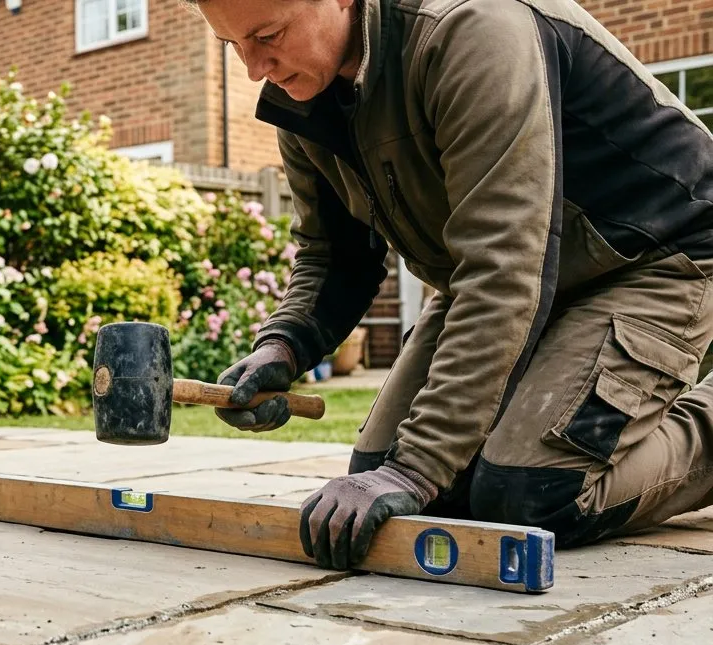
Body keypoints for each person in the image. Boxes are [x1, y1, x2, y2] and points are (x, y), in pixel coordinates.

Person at [191, 0, 713, 570]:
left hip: (659, 258)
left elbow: (503, 267)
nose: (253, 68)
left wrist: (417, 466)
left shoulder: (472, 30)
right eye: (232, 45)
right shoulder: (306, 96)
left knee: (528, 493)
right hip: (524, 275)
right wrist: (283, 347)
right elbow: (336, 254)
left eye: (268, 35)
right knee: (374, 481)